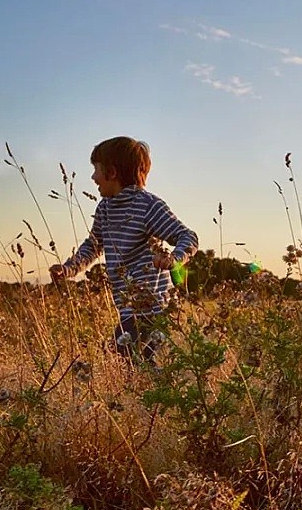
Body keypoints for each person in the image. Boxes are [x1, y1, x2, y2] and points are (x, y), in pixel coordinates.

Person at [50, 137, 198, 361]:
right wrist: (69, 268)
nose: (93, 177)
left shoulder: (147, 205)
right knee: (137, 363)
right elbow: (93, 245)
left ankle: (153, 391)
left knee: (120, 354)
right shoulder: (105, 208)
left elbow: (187, 236)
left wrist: (174, 259)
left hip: (152, 304)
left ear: (112, 173)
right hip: (128, 306)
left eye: (96, 170)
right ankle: (154, 391)